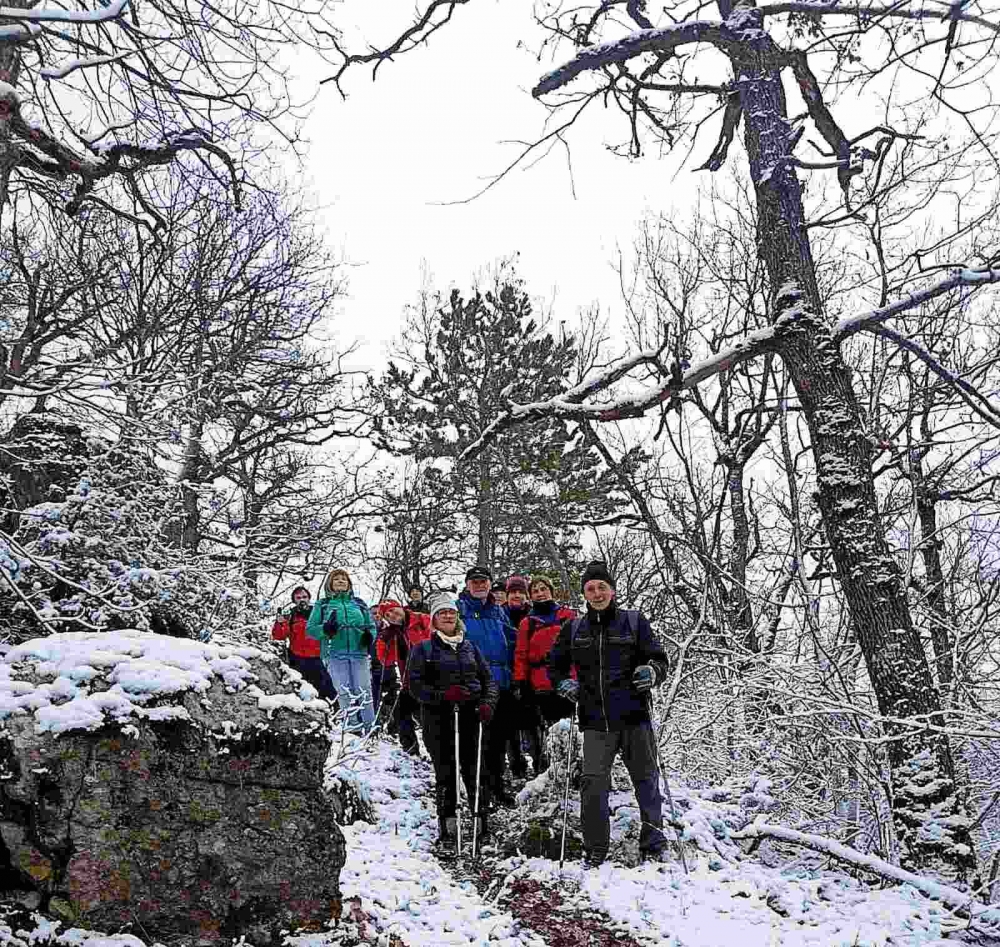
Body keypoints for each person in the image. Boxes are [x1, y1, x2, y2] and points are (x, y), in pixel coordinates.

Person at [548, 561, 671, 867]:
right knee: (592, 785)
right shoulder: (574, 629)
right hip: (595, 721)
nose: (597, 593)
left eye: (602, 587)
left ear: (612, 590)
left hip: (634, 717)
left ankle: (654, 841)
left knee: (646, 780)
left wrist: (652, 672)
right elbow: (555, 665)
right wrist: (563, 683)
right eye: (590, 588)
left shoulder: (634, 622)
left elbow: (659, 659)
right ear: (584, 594)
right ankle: (595, 847)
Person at [408, 591, 498, 850]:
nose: (448, 616)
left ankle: (481, 823)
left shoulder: (470, 647)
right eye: (442, 613)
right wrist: (442, 695)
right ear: (433, 620)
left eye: (451, 613)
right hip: (439, 719)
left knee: (475, 770)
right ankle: (448, 826)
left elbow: (488, 680)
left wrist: (487, 703)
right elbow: (414, 685)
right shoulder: (423, 649)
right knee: (446, 772)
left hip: (471, 715)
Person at [456, 565, 517, 808]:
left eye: (484, 581)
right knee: (476, 740)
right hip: (473, 681)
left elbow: (511, 641)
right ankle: (479, 791)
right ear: (467, 585)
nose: (480, 585)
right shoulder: (459, 609)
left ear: (490, 584)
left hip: (501, 680)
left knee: (499, 739)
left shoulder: (499, 611)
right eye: (475, 582)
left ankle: (497, 786)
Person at [512, 574, 577, 772]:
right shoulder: (528, 623)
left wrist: (577, 677)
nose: (540, 593)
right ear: (530, 596)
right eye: (535, 591)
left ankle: (570, 768)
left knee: (568, 728)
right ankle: (546, 770)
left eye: (543, 589)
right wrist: (521, 681)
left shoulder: (568, 616)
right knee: (545, 731)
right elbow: (521, 654)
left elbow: (579, 648)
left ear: (551, 591)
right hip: (540, 683)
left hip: (567, 680)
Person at [307, 567, 377, 733]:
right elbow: (310, 629)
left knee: (364, 690)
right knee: (344, 691)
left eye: (344, 579)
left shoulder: (359, 603)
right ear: (330, 584)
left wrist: (369, 637)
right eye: (336, 579)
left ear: (349, 584)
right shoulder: (323, 604)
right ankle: (352, 728)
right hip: (334, 653)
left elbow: (371, 626)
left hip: (359, 652)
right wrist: (325, 629)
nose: (340, 581)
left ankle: (370, 728)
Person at [375, 598, 432, 755]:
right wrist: (383, 640)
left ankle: (435, 751)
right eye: (387, 615)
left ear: (400, 607)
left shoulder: (422, 619)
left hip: (430, 679)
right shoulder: (393, 633)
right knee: (400, 712)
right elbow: (386, 660)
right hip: (409, 681)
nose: (393, 615)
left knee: (427, 719)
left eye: (393, 610)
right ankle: (411, 750)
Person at [270, 586, 337, 705]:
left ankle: (332, 711)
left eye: (304, 597)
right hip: (296, 659)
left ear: (309, 599)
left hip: (316, 658)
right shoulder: (290, 615)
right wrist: (280, 623)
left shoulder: (318, 614)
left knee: (327, 691)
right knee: (301, 692)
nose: (302, 600)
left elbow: (329, 632)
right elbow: (279, 636)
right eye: (298, 597)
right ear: (294, 600)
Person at [502, 575, 533, 779]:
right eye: (513, 592)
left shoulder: (533, 614)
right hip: (507, 672)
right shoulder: (499, 614)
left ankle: (540, 762)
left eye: (521, 592)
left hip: (530, 674)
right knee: (509, 724)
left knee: (533, 723)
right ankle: (516, 765)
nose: (517, 595)